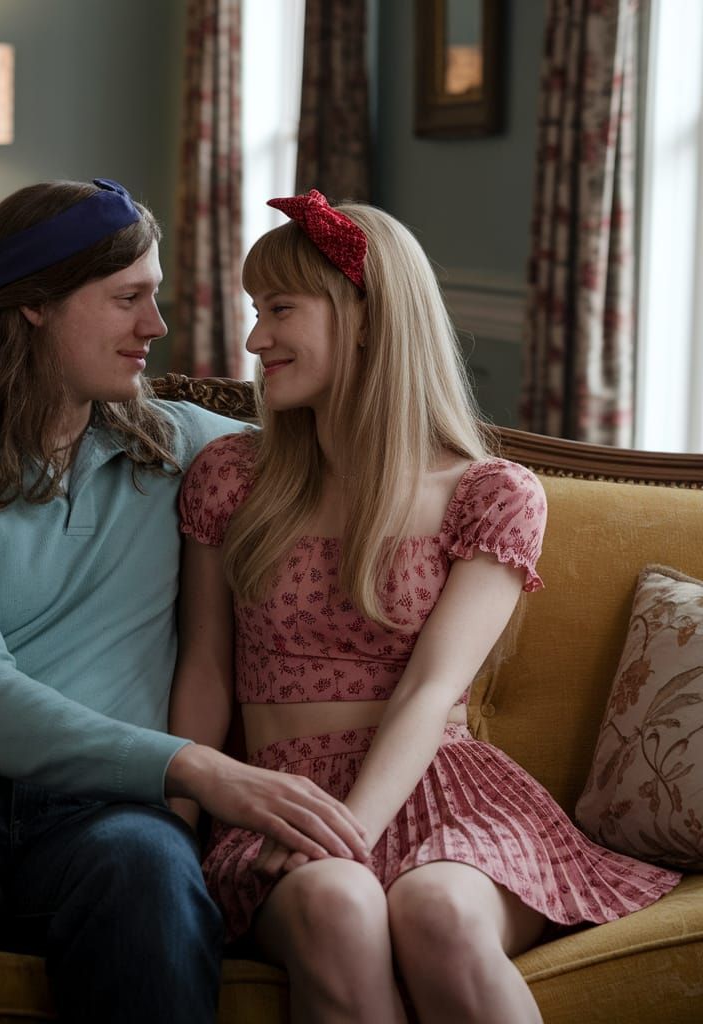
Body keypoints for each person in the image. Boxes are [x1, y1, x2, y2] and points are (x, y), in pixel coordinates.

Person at [0, 178, 368, 1024]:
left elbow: (367, 440)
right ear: (34, 307)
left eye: (155, 297)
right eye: (128, 298)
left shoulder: (184, 448)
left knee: (156, 892)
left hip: (112, 815)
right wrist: (200, 770)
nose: (156, 328)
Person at [170, 190, 682, 1024]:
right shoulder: (233, 478)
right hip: (280, 795)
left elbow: (430, 690)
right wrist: (176, 829)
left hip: (449, 794)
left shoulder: (488, 494)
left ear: (365, 318)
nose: (256, 339)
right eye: (255, 311)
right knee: (337, 904)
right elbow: (202, 671)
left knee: (438, 913)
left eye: (280, 309)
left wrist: (347, 832)